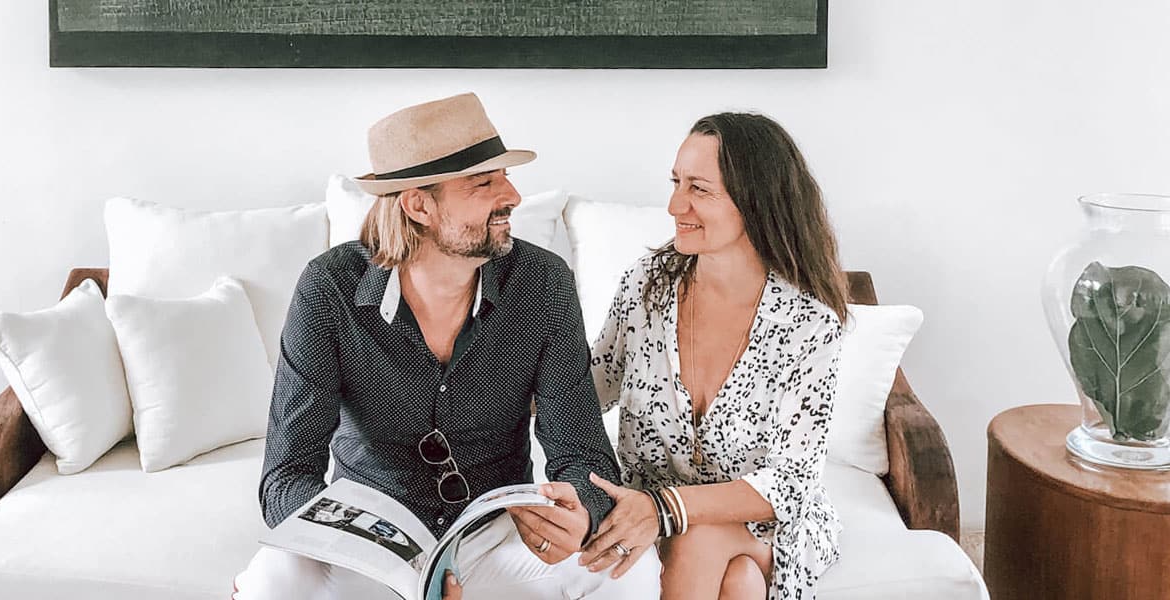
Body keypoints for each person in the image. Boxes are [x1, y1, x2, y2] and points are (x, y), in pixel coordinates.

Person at [232, 92, 661, 600]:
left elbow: (582, 454)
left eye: (504, 176)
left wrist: (581, 510)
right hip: (369, 549)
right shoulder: (330, 288)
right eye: (485, 182)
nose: (513, 196)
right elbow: (286, 477)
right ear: (419, 205)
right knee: (272, 582)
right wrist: (362, 546)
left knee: (627, 570)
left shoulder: (544, 283)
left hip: (497, 536)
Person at [579, 113, 849, 600]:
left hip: (761, 525)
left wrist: (668, 509)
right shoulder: (646, 285)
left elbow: (790, 483)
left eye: (698, 189)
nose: (673, 205)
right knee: (739, 584)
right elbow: (586, 388)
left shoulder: (808, 325)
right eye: (676, 182)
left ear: (756, 203)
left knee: (697, 540)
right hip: (650, 517)